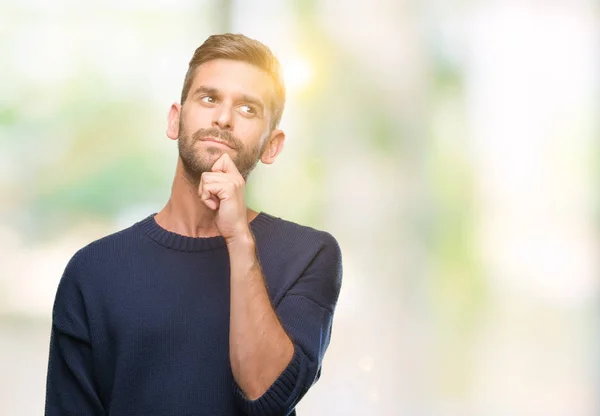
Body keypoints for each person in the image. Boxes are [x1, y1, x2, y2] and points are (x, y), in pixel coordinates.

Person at [44, 33, 343, 416]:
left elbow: (266, 395)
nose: (223, 118)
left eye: (248, 109)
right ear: (175, 119)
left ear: (273, 145)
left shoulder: (309, 255)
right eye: (209, 98)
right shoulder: (94, 271)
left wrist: (238, 239)